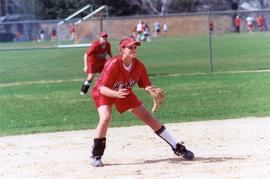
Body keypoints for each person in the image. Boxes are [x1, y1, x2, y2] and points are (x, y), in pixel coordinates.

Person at [89, 37, 194, 167]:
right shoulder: (113, 64)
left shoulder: (138, 66)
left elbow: (145, 84)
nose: (133, 49)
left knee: (148, 118)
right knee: (105, 117)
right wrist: (116, 94)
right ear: (122, 50)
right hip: (105, 92)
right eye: (130, 47)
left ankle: (176, 147)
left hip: (124, 93)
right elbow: (102, 88)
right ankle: (96, 155)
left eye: (135, 47)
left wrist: (151, 90)